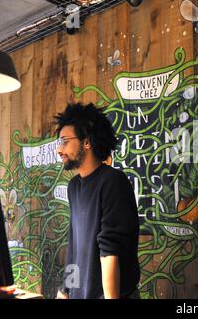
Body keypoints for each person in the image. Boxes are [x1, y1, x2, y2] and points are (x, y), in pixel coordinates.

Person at [55, 103, 140, 299]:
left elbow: (110, 250)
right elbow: (74, 246)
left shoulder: (113, 181)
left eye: (65, 141)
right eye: (59, 143)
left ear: (87, 142)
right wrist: (66, 290)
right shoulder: (74, 186)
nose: (60, 149)